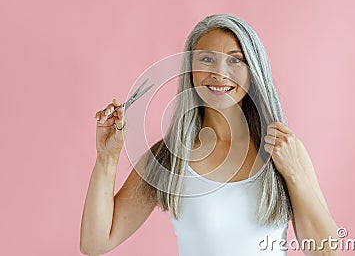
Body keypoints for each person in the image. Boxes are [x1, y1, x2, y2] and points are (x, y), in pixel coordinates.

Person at [80, 14, 338, 256]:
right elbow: (96, 242)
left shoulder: (282, 149)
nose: (219, 73)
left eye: (235, 60)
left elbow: (326, 251)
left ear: (253, 71)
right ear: (190, 70)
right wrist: (107, 158)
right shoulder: (168, 157)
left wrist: (295, 175)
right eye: (206, 59)